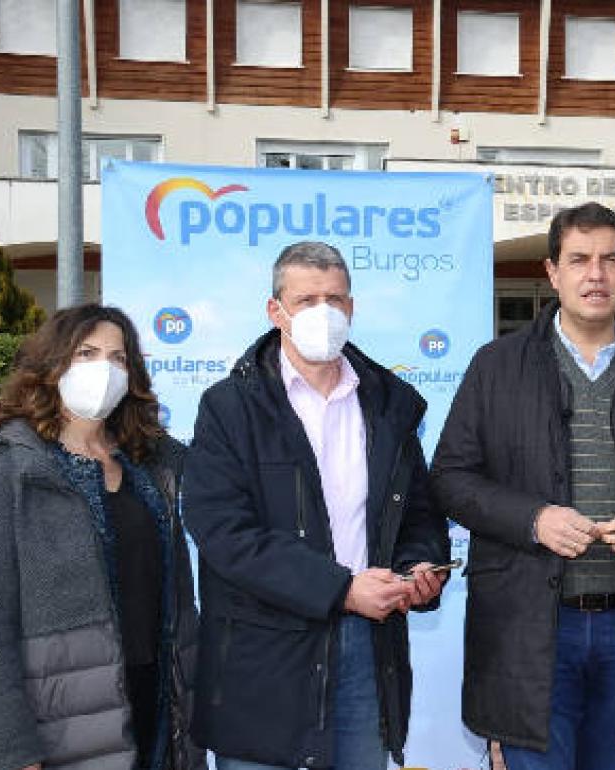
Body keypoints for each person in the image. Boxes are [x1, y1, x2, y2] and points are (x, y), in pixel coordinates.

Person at [430, 202, 615, 770]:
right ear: (552, 272)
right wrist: (532, 520)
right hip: (530, 625)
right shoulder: (496, 366)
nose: (596, 274)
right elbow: (450, 478)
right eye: (580, 259)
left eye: (610, 260)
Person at [183, 241, 450, 770]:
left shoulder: (391, 403)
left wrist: (417, 569)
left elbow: (417, 511)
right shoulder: (229, 406)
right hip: (264, 661)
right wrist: (341, 589)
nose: (323, 312)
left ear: (351, 308)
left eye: (335, 299)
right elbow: (223, 532)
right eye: (306, 300)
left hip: (368, 657)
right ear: (275, 310)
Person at [0, 304, 202, 770]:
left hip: (157, 702)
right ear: (52, 365)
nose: (103, 369)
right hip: (62, 721)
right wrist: (11, 749)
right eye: (86, 353)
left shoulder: (152, 462)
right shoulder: (9, 466)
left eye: (118, 358)